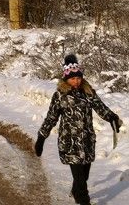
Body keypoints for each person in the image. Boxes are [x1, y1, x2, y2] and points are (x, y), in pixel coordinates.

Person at [35, 54, 122, 205]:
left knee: (84, 175)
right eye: (73, 78)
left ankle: (76, 191)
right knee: (81, 179)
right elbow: (51, 118)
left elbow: (100, 107)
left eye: (78, 78)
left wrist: (112, 118)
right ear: (66, 78)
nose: (76, 81)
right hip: (69, 142)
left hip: (87, 140)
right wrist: (41, 137)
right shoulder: (60, 95)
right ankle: (83, 200)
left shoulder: (88, 92)